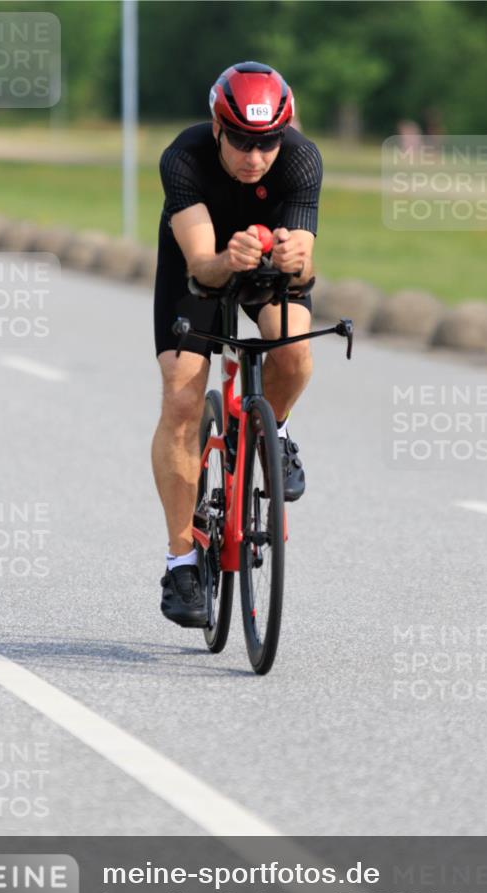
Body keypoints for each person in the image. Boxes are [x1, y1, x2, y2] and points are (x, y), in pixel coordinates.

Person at [152, 61, 323, 627]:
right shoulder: (184, 157)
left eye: (268, 142)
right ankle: (181, 563)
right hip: (199, 269)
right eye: (242, 142)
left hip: (266, 265)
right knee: (181, 398)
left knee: (294, 352)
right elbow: (202, 266)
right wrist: (228, 258)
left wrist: (296, 262)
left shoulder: (301, 160)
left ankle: (275, 431)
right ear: (217, 128)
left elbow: (305, 269)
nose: (255, 156)